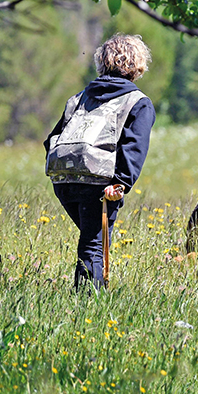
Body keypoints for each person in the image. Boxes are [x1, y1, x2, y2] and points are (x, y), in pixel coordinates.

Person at [45, 34, 156, 290]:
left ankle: (90, 297)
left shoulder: (80, 97)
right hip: (101, 184)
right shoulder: (138, 102)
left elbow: (52, 138)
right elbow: (134, 148)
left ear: (102, 62)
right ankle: (87, 305)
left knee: (91, 239)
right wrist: (121, 184)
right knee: (93, 244)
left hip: (63, 180)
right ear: (137, 65)